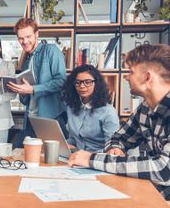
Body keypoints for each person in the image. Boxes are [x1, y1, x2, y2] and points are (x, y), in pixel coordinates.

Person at [69, 44, 170, 200]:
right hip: (153, 193)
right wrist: (115, 148)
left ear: (147, 77)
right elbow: (118, 138)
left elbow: (163, 170)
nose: (126, 76)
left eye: (131, 72)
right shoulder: (145, 107)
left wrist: (91, 159)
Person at [8, 18, 67, 147]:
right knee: (18, 153)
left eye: (28, 36)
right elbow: (25, 100)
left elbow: (62, 82)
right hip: (30, 119)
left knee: (51, 160)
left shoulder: (51, 50)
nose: (25, 41)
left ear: (37, 34)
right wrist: (20, 90)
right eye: (20, 38)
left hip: (50, 118)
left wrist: (33, 89)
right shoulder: (26, 61)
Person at [62, 64, 119, 152]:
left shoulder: (108, 112)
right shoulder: (71, 108)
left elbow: (112, 148)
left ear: (97, 84)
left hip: (98, 159)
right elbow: (74, 138)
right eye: (77, 82)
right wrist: (65, 145)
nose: (82, 86)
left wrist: (85, 155)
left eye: (87, 82)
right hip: (76, 157)